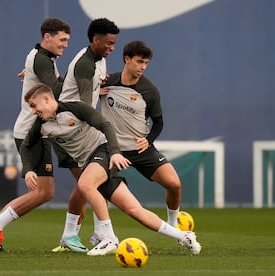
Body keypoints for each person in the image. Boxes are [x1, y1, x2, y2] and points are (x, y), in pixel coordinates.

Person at [20, 83, 201, 256]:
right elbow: (26, 146)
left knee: (85, 184)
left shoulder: (75, 108)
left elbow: (105, 125)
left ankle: (108, 237)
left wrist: (115, 152)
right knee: (134, 210)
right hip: (89, 163)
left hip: (103, 151)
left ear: (46, 99)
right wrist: (28, 170)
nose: (33, 111)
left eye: (34, 105)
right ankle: (185, 237)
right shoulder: (41, 125)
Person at [0, 18, 70, 252]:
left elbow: (47, 81)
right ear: (47, 37)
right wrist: (85, 80)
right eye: (62, 39)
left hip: (36, 131)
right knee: (44, 192)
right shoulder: (40, 59)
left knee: (43, 192)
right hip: (31, 132)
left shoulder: (42, 59)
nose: (65, 45)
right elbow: (56, 91)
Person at [52, 18, 121, 253]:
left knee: (85, 184)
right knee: (88, 184)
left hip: (80, 129)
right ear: (95, 39)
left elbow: (87, 89)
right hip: (70, 131)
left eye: (114, 44)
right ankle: (98, 235)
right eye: (109, 43)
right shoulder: (85, 64)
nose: (112, 48)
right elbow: (83, 107)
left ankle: (72, 235)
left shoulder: (98, 60)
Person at [100, 40, 182, 230]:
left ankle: (172, 224)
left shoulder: (149, 90)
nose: (142, 67)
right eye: (139, 62)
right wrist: (95, 91)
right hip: (112, 150)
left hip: (140, 149)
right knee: (90, 187)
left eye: (146, 63)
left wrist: (148, 140)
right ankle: (96, 234)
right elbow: (77, 85)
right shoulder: (107, 82)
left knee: (174, 184)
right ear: (126, 59)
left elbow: (159, 122)